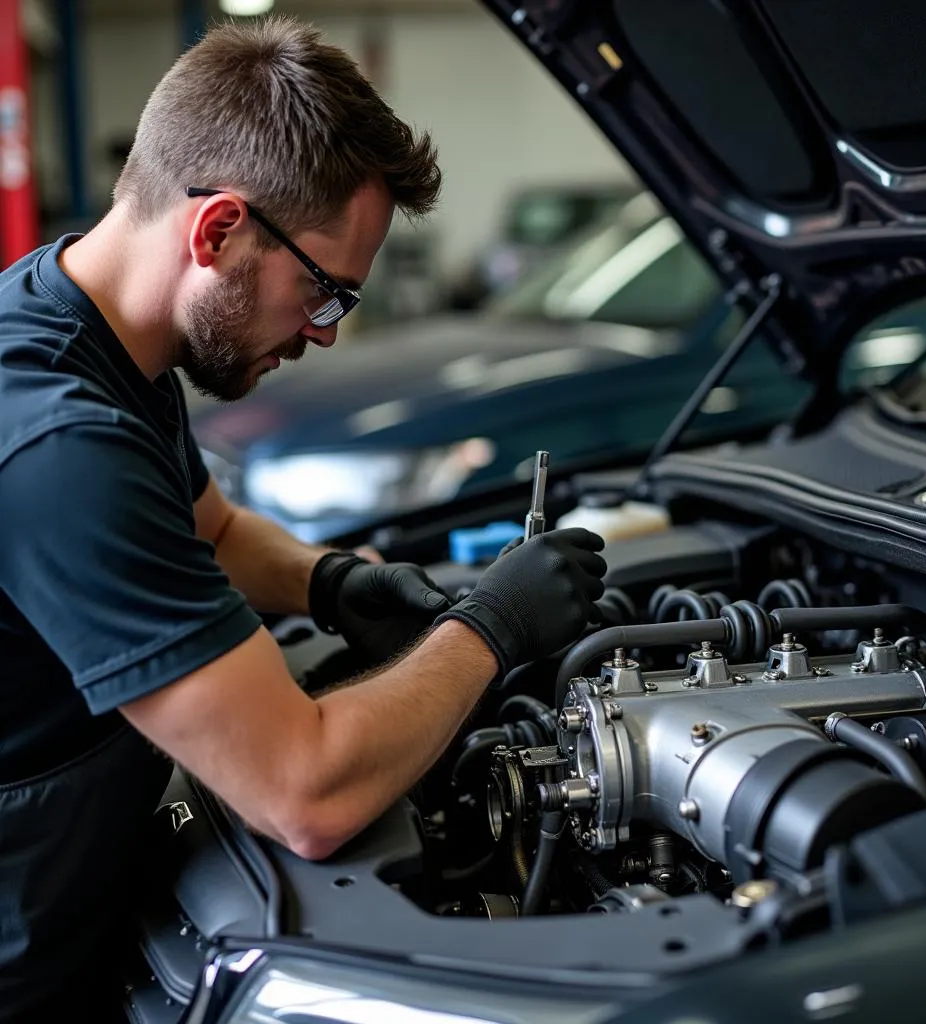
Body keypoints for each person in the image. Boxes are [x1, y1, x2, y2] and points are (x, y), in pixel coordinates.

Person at [0, 17, 607, 1022]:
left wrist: (332, 582)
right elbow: (305, 794)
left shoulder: (90, 329)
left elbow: (221, 534)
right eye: (322, 289)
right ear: (215, 231)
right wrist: (488, 630)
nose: (325, 332)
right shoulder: (58, 444)